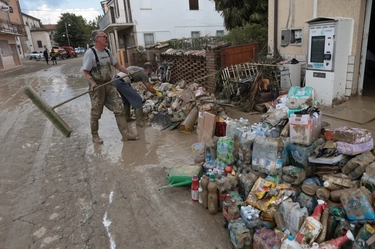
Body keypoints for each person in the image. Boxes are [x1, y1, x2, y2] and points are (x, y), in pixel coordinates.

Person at [82, 29, 138, 144]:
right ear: (97, 39)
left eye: (106, 37)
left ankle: (126, 134)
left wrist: (127, 71)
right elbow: (86, 72)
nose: (106, 39)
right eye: (104, 36)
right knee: (96, 112)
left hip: (109, 84)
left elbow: (116, 64)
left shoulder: (107, 51)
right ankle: (95, 135)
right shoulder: (90, 53)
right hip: (97, 87)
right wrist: (93, 84)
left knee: (119, 108)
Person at [112, 63, 163, 127]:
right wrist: (157, 93)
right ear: (149, 69)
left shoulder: (137, 69)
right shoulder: (143, 73)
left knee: (126, 100)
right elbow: (149, 87)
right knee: (138, 99)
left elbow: (145, 83)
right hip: (121, 82)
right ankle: (140, 122)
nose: (151, 72)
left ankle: (127, 118)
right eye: (151, 70)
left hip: (116, 80)